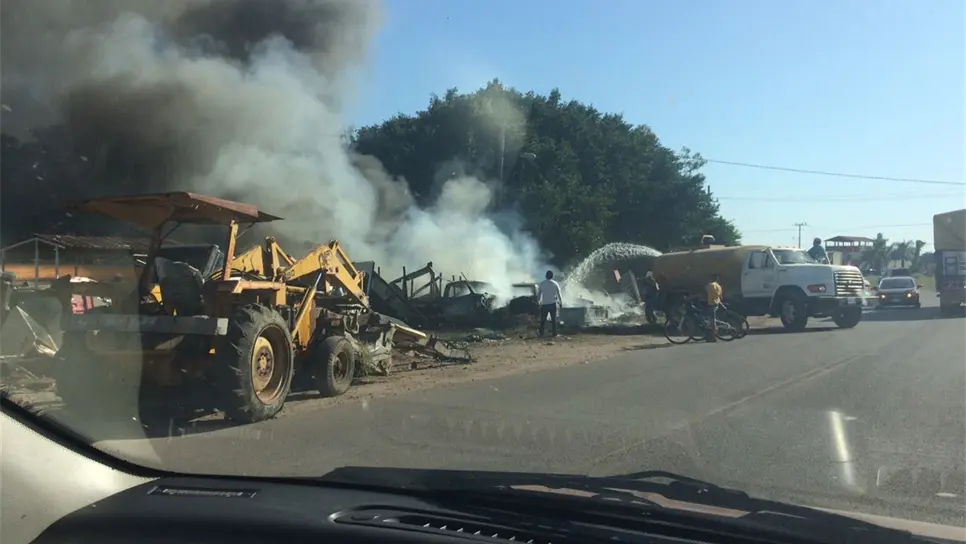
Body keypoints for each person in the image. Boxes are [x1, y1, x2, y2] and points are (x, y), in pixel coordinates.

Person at [537, 270, 562, 337]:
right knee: (554, 320)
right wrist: (560, 302)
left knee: (543, 320)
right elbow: (559, 293)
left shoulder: (542, 283)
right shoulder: (555, 283)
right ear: (552, 276)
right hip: (552, 304)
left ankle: (541, 333)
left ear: (546, 276)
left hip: (544, 304)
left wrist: (538, 302)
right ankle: (554, 333)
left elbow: (539, 294)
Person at [704, 273, 723, 342]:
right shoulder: (719, 286)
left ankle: (713, 337)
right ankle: (713, 336)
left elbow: (705, 292)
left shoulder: (710, 285)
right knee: (712, 320)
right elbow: (720, 297)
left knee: (712, 321)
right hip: (716, 304)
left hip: (711, 304)